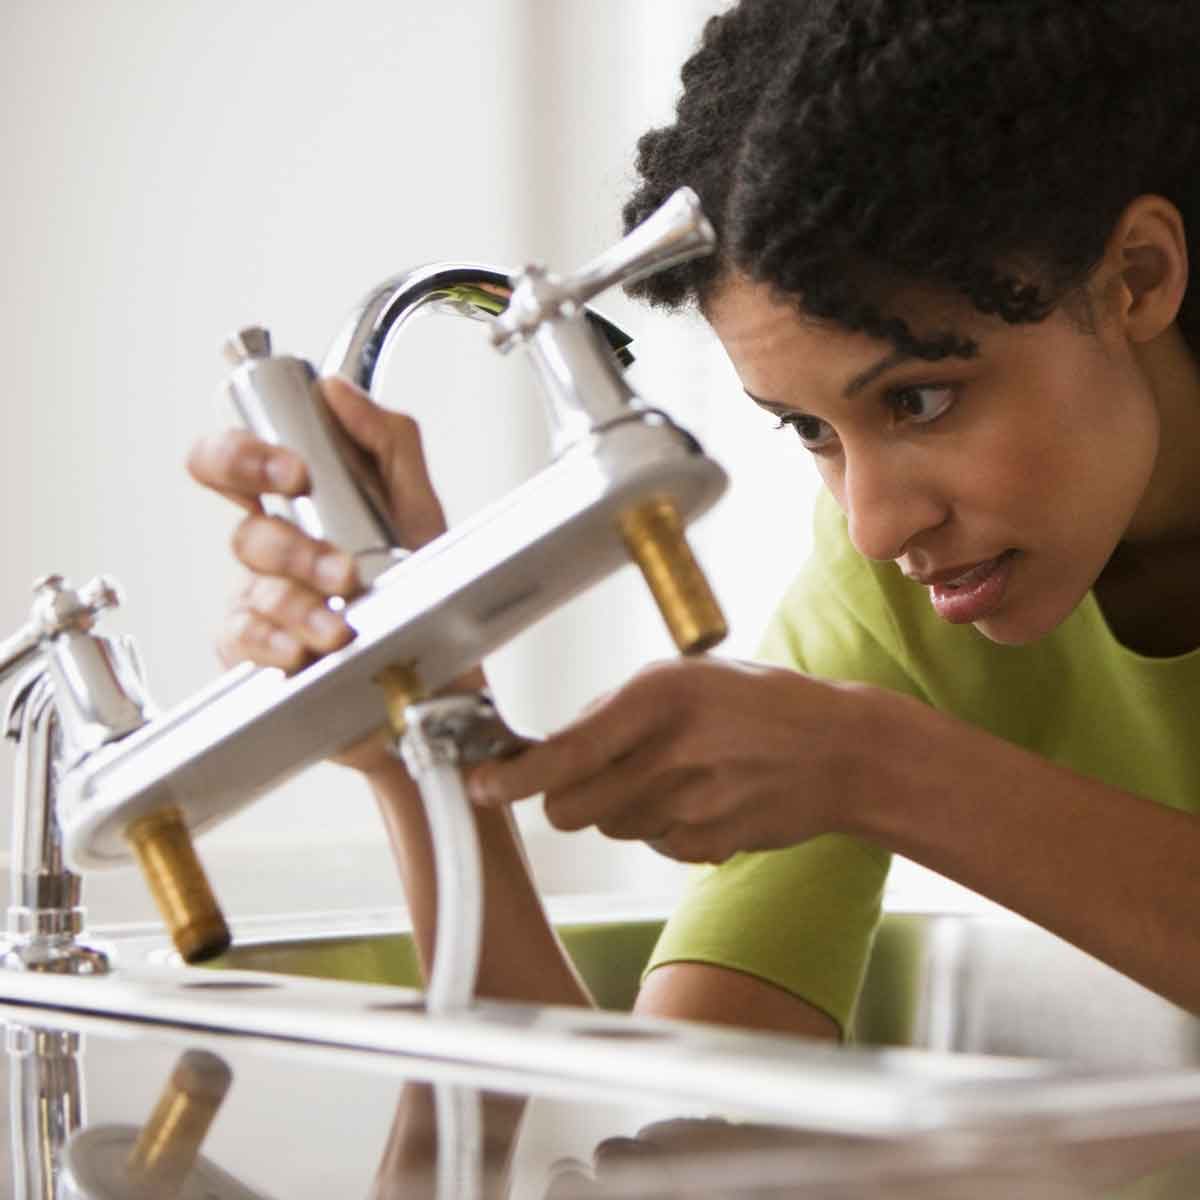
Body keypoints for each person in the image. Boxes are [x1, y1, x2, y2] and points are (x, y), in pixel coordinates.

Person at [187, 0, 1200, 1042]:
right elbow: (672, 1138)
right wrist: (413, 722)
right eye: (809, 429)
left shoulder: (874, 704)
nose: (873, 525)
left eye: (921, 400)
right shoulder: (888, 607)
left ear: (1137, 279)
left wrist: (880, 768)